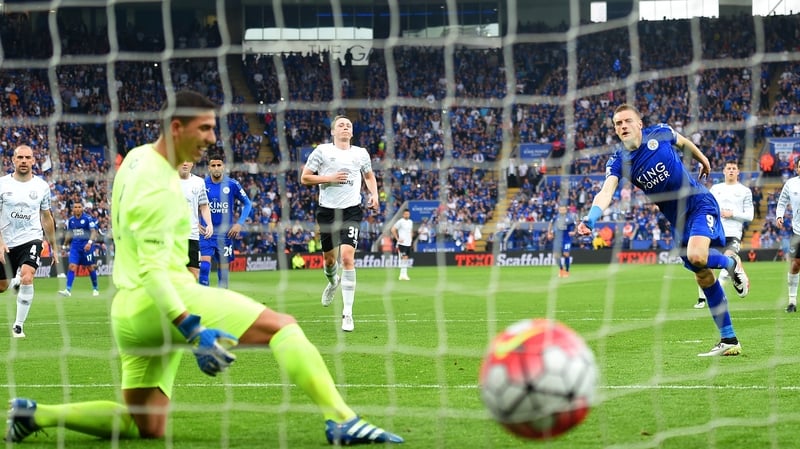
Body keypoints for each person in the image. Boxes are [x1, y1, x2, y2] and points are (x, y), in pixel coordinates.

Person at [4, 91, 403, 445]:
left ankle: (34, 414)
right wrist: (191, 327)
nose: (213, 138)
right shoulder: (159, 185)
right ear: (177, 127)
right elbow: (155, 271)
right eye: (206, 129)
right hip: (162, 301)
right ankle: (343, 420)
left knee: (145, 426)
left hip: (127, 313)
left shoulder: (135, 160)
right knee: (284, 327)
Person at [577, 104, 749, 357]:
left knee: (697, 256)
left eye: (627, 121)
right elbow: (606, 190)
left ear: (639, 124)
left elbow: (684, 142)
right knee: (701, 274)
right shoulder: (618, 161)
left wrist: (703, 160)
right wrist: (591, 218)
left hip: (699, 203)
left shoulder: (659, 133)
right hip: (677, 221)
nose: (622, 126)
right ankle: (729, 339)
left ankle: (730, 262)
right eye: (617, 123)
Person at [300, 115, 380, 332]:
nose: (345, 127)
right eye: (341, 125)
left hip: (351, 212)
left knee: (347, 257)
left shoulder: (361, 153)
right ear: (333, 132)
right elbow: (305, 178)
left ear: (352, 132)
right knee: (329, 261)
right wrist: (330, 178)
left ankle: (347, 314)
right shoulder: (322, 151)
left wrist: (374, 195)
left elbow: (370, 176)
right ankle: (333, 281)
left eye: (349, 125)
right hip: (327, 212)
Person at [0, 145, 58, 338]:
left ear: (33, 161)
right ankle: (13, 280)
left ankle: (18, 326)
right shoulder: (2, 184)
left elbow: (47, 217)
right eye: (20, 157)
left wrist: (53, 246)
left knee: (28, 276)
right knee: (2, 286)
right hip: (5, 241)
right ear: (13, 160)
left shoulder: (41, 186)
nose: (24, 161)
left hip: (31, 239)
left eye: (28, 157)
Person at [694, 161, 753, 309]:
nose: (731, 171)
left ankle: (722, 288)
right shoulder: (716, 188)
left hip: (733, 233)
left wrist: (731, 214)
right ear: (724, 172)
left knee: (728, 257)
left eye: (734, 168)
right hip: (715, 231)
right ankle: (702, 299)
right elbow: (708, 206)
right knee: (704, 262)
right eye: (729, 168)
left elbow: (750, 216)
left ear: (738, 172)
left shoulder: (745, 191)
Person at [198, 149, 252, 288]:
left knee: (224, 273)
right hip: (206, 233)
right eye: (213, 165)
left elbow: (248, 204)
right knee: (204, 267)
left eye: (219, 165)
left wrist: (239, 224)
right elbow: (191, 206)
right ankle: (203, 300)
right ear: (209, 168)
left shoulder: (232, 184)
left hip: (225, 234)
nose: (216, 168)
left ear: (223, 167)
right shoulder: (201, 184)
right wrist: (196, 223)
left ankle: (222, 303)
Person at [179, 161, 213, 282]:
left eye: (188, 160)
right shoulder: (168, 180)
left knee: (194, 275)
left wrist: (209, 223)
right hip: (172, 236)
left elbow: (204, 206)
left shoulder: (199, 182)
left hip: (192, 235)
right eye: (182, 160)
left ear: (192, 164)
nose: (185, 163)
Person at [58, 202, 100, 297]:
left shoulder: (88, 219)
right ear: (73, 209)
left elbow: (94, 232)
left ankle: (95, 288)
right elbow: (69, 234)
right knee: (72, 266)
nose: (77, 209)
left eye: (79, 207)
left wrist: (89, 243)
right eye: (75, 207)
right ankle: (68, 290)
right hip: (75, 247)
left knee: (90, 267)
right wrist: (64, 246)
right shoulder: (71, 221)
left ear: (82, 209)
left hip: (86, 247)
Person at [775, 158, 800, 313]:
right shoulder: (791, 184)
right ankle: (792, 301)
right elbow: (782, 200)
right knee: (795, 264)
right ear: (797, 168)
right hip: (798, 231)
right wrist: (779, 215)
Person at [548, 205, 575, 278]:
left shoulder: (569, 218)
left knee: (566, 254)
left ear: (566, 210)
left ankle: (567, 271)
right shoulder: (556, 217)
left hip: (566, 239)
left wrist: (574, 232)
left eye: (563, 210)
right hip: (557, 239)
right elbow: (550, 224)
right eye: (561, 210)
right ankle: (561, 269)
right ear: (559, 210)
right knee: (556, 255)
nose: (562, 211)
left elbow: (576, 225)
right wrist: (549, 233)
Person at [391, 209, 413, 281]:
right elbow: (393, 229)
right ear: (403, 214)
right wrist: (397, 238)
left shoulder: (410, 222)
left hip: (408, 243)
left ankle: (404, 274)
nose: (407, 215)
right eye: (405, 214)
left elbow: (410, 231)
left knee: (406, 258)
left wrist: (411, 239)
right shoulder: (400, 221)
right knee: (403, 258)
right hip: (402, 243)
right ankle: (402, 275)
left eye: (408, 214)